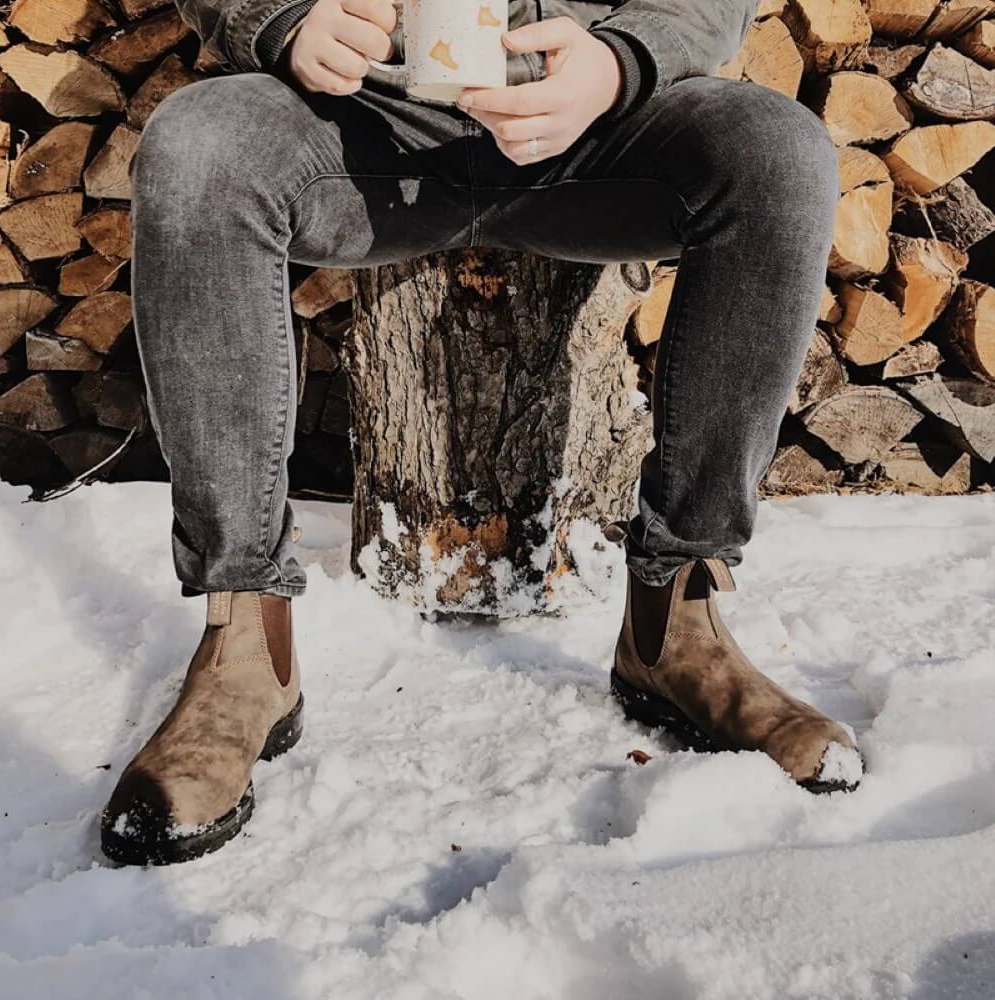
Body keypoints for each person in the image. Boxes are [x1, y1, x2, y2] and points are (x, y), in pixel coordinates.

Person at [100, 0, 864, 867]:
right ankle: (245, 642)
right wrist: (278, 20)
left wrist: (618, 64)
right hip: (354, 128)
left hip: (596, 131)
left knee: (777, 151)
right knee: (198, 147)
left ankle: (676, 627)